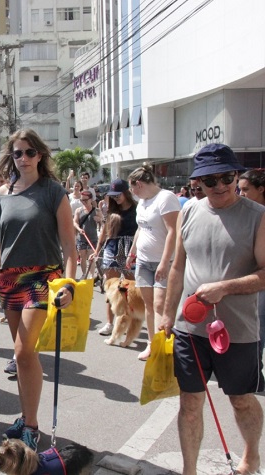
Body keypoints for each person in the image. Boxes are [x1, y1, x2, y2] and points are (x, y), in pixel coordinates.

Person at [0, 129, 77, 450]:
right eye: (17, 153)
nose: (23, 158)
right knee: (21, 355)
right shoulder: (3, 194)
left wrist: (69, 283)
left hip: (43, 278)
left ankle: (32, 425)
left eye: (29, 152)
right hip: (10, 280)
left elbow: (69, 245)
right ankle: (26, 418)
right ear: (10, 158)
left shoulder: (53, 192)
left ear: (40, 155)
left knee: (25, 352)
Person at [160, 143, 264, 475]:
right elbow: (178, 268)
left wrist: (225, 287)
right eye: (210, 180)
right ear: (198, 183)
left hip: (238, 330)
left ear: (236, 176)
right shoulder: (189, 210)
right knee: (189, 404)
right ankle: (189, 470)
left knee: (241, 399)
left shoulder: (258, 217)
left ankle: (252, 454)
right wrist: (165, 313)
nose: (220, 185)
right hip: (189, 329)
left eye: (227, 177)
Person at [125, 164, 180, 361]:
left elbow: (173, 231)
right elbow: (141, 228)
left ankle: (163, 346)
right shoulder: (143, 202)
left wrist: (165, 262)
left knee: (160, 305)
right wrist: (132, 251)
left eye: (131, 189)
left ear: (138, 184)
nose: (132, 193)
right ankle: (151, 344)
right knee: (148, 305)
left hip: (163, 261)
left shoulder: (165, 198)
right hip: (144, 261)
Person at [90, 178, 138, 336]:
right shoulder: (111, 211)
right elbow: (104, 231)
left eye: (118, 194)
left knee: (130, 287)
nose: (116, 197)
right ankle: (110, 323)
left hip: (131, 249)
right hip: (112, 248)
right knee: (110, 287)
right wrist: (97, 251)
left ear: (126, 192)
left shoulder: (137, 209)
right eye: (113, 195)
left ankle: (129, 319)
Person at [238, 168, 265, 350]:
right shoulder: (241, 213)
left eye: (246, 189)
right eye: (239, 190)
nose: (241, 194)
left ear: (261, 189)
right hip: (251, 279)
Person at [73, 191, 102, 278]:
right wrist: (79, 229)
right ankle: (84, 274)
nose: (83, 202)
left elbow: (103, 221)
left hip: (92, 238)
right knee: (82, 258)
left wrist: (99, 219)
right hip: (81, 238)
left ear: (90, 199)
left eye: (85, 200)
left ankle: (91, 276)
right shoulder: (79, 210)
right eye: (82, 200)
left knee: (91, 258)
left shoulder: (96, 210)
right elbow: (75, 222)